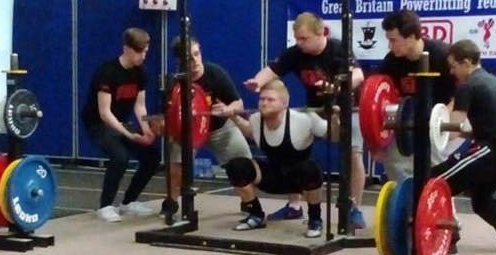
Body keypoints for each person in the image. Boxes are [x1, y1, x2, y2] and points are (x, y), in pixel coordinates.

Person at [244, 11, 367, 230]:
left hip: (347, 108)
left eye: (304, 39)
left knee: (352, 154)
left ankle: (353, 208)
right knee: (294, 151)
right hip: (315, 108)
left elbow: (358, 75)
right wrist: (257, 81)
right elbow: (273, 69)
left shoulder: (338, 49)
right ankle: (294, 206)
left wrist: (339, 87)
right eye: (297, 38)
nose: (299, 43)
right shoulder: (296, 53)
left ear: (320, 34)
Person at [431, 39, 496, 252]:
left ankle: (448, 240)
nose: (451, 71)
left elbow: (453, 128)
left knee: (438, 182)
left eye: (454, 66)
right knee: (482, 199)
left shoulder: (467, 85)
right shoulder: (493, 81)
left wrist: (427, 128)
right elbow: (486, 124)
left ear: (466, 63)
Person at [224, 79, 339, 238]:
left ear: (284, 104)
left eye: (270, 99)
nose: (264, 103)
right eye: (262, 99)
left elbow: (334, 137)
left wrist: (334, 117)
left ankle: (315, 219)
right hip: (272, 177)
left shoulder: (305, 119)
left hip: (300, 180)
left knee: (309, 168)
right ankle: (256, 215)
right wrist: (233, 117)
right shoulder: (256, 119)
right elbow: (250, 132)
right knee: (236, 167)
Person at [157, 36, 253, 217]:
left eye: (197, 54)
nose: (195, 61)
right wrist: (164, 126)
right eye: (189, 57)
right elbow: (167, 115)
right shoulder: (175, 82)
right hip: (188, 131)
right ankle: (171, 202)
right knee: (175, 166)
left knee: (243, 165)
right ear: (179, 60)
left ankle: (249, 203)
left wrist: (227, 109)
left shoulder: (215, 73)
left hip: (219, 127)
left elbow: (238, 103)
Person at [81, 27, 160, 222]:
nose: (143, 56)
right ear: (127, 49)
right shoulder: (107, 73)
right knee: (120, 157)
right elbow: (105, 113)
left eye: (146, 52)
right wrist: (129, 134)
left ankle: (128, 203)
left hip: (122, 123)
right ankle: (105, 206)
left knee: (152, 156)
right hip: (98, 124)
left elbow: (140, 107)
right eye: (139, 52)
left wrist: (146, 130)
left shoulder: (140, 73)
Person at [378, 9, 459, 181]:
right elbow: (381, 97)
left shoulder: (443, 55)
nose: (390, 46)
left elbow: (461, 95)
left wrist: (442, 124)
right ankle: (407, 201)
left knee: (433, 161)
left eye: (393, 40)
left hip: (445, 116)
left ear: (412, 36)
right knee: (394, 160)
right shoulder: (391, 61)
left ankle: (437, 202)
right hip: (412, 119)